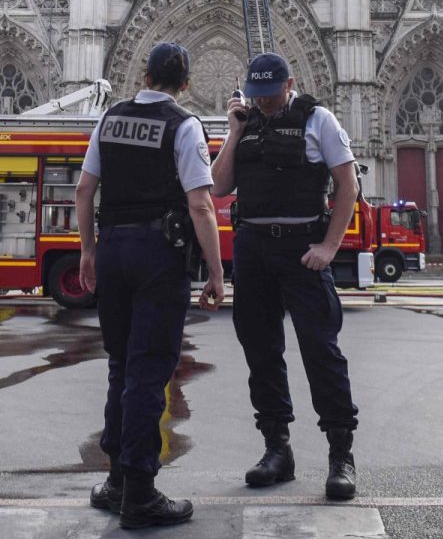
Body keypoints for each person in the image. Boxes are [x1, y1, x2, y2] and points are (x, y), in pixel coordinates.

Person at [75, 42, 226, 529]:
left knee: (121, 366)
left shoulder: (109, 120)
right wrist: (217, 271)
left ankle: (117, 478)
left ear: (144, 75)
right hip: (158, 256)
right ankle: (139, 491)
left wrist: (88, 250)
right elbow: (201, 206)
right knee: (148, 372)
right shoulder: (184, 125)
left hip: (114, 250)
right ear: (184, 83)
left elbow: (84, 190)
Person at [211, 52, 361, 502]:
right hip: (253, 248)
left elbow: (347, 185)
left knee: (321, 351)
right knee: (261, 353)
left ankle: (340, 456)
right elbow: (217, 186)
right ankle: (277, 450)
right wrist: (234, 134)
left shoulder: (319, 121)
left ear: (289, 83)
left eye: (272, 94)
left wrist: (329, 246)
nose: (266, 104)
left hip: (302, 249)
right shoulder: (247, 123)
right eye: (258, 96)